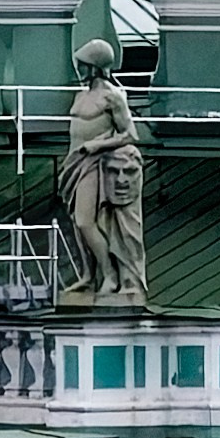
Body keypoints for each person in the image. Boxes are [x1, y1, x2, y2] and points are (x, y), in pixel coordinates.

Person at [60, 37, 148, 304]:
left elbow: (130, 134)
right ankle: (89, 275)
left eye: (84, 65)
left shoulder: (113, 96)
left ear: (96, 66)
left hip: (93, 164)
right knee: (78, 223)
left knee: (87, 221)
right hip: (74, 163)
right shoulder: (81, 95)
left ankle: (110, 275)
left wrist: (97, 145)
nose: (79, 70)